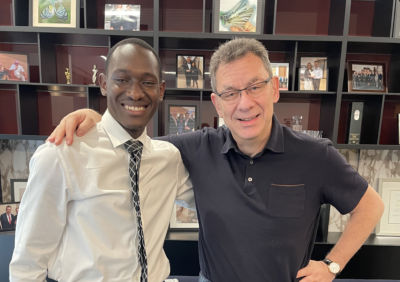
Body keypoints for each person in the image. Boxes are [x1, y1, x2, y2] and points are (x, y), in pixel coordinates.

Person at [48, 38, 384, 282]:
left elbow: (371, 207)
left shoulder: (316, 154)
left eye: (255, 86)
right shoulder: (195, 149)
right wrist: (93, 116)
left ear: (275, 89)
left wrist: (332, 266)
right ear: (217, 103)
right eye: (230, 92)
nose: (245, 103)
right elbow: (133, 144)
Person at [10, 38, 193, 282]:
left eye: (147, 82)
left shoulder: (168, 159)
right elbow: (28, 261)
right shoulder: (61, 155)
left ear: (160, 90)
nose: (135, 93)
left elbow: (211, 204)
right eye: (122, 80)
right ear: (104, 84)